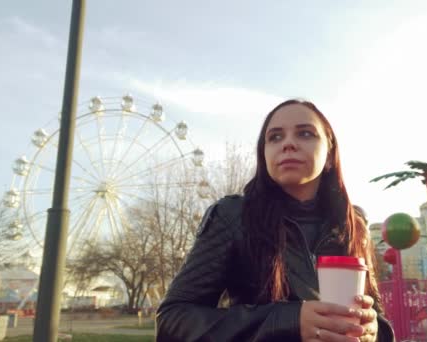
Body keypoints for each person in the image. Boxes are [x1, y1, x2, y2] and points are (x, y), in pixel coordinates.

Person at [156, 99, 395, 342]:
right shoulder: (232, 216)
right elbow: (173, 319)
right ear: (264, 154)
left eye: (305, 133)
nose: (288, 144)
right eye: (275, 137)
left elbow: (377, 316)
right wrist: (287, 322)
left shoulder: (354, 227)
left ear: (330, 155)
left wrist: (374, 332)